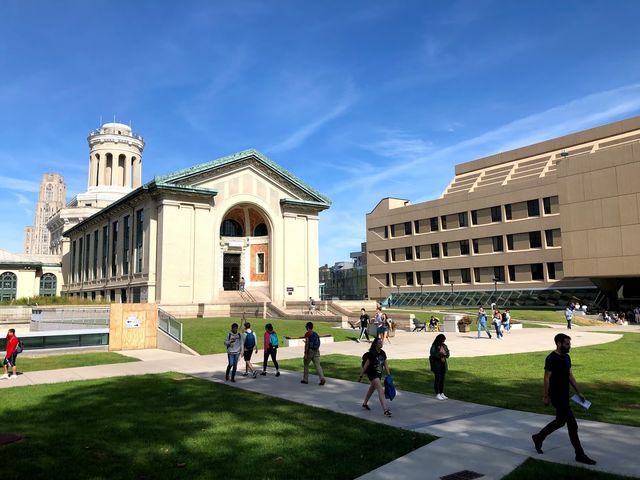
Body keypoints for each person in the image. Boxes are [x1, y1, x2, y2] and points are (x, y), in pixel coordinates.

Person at [532, 333, 596, 465]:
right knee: (573, 425)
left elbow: (570, 376)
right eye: (567, 344)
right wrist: (546, 396)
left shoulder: (567, 357)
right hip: (556, 396)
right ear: (559, 344)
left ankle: (538, 437)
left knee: (561, 421)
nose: (569, 346)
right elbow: (546, 378)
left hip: (565, 395)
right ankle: (580, 454)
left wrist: (579, 392)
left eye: (570, 344)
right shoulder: (551, 358)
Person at [358, 337, 392, 417]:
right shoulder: (372, 353)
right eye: (379, 342)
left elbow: (385, 364)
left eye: (382, 342)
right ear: (376, 344)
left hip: (379, 374)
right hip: (372, 374)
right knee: (380, 390)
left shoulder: (383, 353)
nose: (381, 343)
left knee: (371, 389)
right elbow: (366, 365)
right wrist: (361, 375)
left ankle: (365, 403)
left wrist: (389, 374)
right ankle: (385, 410)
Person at [429, 334, 450, 400]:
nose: (443, 342)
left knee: (442, 380)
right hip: (437, 365)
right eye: (442, 340)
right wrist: (440, 354)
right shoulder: (434, 346)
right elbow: (433, 354)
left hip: (443, 365)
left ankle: (441, 392)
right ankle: (437, 393)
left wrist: (446, 354)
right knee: (437, 379)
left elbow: (447, 353)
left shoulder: (444, 346)